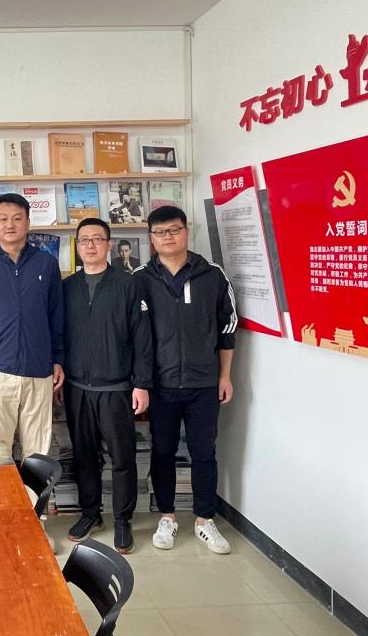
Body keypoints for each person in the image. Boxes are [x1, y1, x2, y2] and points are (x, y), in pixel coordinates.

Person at [132, 206, 237, 554]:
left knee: (204, 451)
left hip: (204, 382)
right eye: (160, 232)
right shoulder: (139, 278)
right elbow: (133, 334)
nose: (168, 237)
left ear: (186, 231)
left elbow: (227, 328)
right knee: (162, 451)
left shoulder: (212, 275)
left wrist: (225, 375)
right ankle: (167, 517)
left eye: (174, 230)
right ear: (151, 238)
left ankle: (205, 519)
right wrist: (141, 382)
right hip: (160, 385)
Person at [62, 219, 152, 552]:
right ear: (77, 246)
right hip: (76, 388)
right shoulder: (67, 287)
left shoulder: (128, 284)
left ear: (109, 245)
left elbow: (143, 337)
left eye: (97, 239)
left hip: (116, 388)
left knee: (122, 458)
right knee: (84, 456)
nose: (90, 245)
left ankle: (123, 520)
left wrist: (141, 384)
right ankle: (91, 514)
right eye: (84, 239)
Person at [0, 193, 64, 470]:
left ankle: (34, 501)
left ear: (28, 223)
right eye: (3, 219)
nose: (10, 225)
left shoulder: (46, 264)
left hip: (39, 370)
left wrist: (58, 359)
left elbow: (56, 316)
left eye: (17, 218)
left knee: (38, 452)